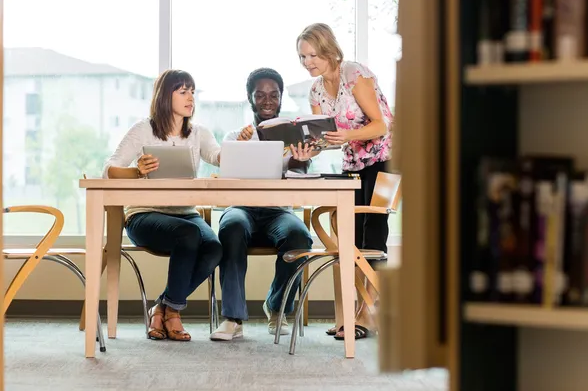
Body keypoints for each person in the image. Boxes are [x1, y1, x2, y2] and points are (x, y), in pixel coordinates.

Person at [103, 69, 222, 342]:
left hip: (185, 215)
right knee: (189, 235)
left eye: (192, 91)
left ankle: (163, 307)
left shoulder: (198, 133)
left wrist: (238, 147)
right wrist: (136, 171)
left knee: (214, 248)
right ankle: (174, 314)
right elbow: (108, 169)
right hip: (144, 216)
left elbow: (217, 155)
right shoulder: (143, 129)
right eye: (183, 91)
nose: (190, 97)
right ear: (164, 97)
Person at [297, 23, 394, 340]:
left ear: (327, 49)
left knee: (372, 231)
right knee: (348, 234)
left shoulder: (354, 74)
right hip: (353, 162)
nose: (308, 62)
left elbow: (380, 125)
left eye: (313, 55)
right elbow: (329, 139)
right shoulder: (315, 91)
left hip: (387, 157)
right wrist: (310, 146)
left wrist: (347, 135)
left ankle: (365, 313)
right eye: (302, 57)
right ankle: (355, 313)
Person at [210, 68, 314, 341]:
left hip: (278, 211)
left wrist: (298, 160)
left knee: (299, 235)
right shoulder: (236, 136)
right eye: (260, 95)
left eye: (274, 95)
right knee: (230, 228)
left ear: (281, 98)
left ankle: (277, 307)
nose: (267, 100)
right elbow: (225, 178)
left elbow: (300, 180)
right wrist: (238, 150)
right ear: (250, 99)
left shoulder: (294, 136)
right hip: (240, 209)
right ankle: (233, 318)